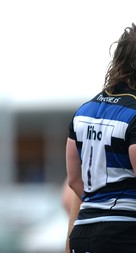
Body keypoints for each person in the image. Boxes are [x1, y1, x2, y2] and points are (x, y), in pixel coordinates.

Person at [66, 23, 136, 253]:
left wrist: (99, 204)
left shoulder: (83, 110)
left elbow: (74, 181)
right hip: (124, 232)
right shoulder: (134, 113)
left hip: (83, 231)